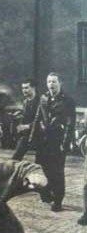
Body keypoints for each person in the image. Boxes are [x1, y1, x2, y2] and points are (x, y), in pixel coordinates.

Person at [35, 73, 76, 212]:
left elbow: (70, 124)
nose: (51, 84)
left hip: (58, 140)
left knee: (57, 171)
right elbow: (38, 117)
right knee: (45, 167)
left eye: (54, 82)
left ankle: (58, 200)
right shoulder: (43, 98)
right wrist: (33, 136)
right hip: (43, 140)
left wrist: (65, 144)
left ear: (60, 83)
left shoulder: (68, 101)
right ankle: (48, 190)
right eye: (49, 82)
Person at [12, 79, 41, 161]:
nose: (24, 90)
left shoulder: (41, 102)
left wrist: (27, 126)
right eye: (23, 88)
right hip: (27, 135)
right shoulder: (25, 102)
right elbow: (25, 118)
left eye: (26, 88)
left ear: (33, 88)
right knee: (15, 158)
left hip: (40, 135)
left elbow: (42, 120)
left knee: (40, 161)